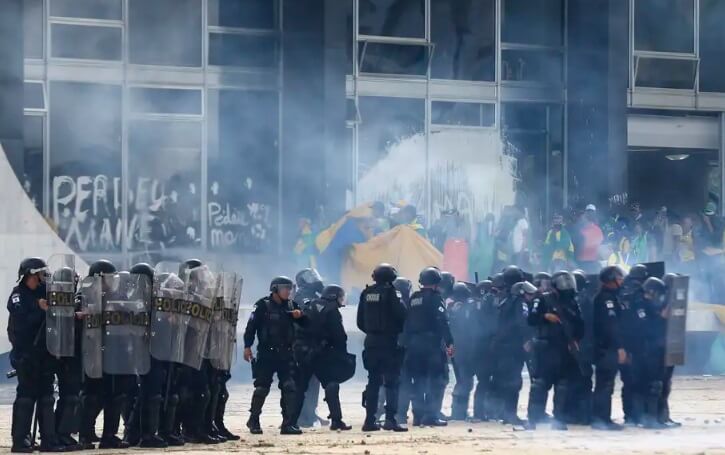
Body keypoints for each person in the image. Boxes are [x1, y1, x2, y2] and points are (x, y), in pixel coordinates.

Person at [8, 258, 66, 453]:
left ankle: (49, 439)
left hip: (44, 353)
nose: (40, 279)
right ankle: (20, 439)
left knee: (47, 397)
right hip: (26, 354)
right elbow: (22, 323)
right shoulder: (18, 295)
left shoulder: (43, 291)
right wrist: (38, 308)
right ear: (28, 275)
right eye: (37, 275)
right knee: (26, 397)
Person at [79, 259, 132, 449]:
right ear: (99, 278)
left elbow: (130, 315)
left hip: (114, 354)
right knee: (92, 396)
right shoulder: (84, 296)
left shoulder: (117, 297)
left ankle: (109, 435)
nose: (112, 282)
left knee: (115, 395)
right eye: (109, 278)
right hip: (93, 355)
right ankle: (85, 434)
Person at [243, 276, 306, 435]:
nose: (288, 291)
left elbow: (305, 324)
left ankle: (288, 423)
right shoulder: (262, 305)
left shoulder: (292, 305)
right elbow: (251, 326)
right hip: (266, 354)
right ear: (275, 289)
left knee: (290, 387)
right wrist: (247, 346)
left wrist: (301, 316)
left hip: (286, 354)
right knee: (262, 388)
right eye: (285, 288)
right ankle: (254, 420)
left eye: (290, 288)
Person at [526, 271, 585, 431]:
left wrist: (575, 340)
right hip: (545, 348)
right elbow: (531, 319)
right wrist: (545, 316)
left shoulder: (572, 302)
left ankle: (559, 419)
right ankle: (533, 419)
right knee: (540, 385)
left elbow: (580, 325)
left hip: (564, 349)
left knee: (563, 385)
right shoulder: (543, 299)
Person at [293, 284, 353, 431]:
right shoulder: (332, 310)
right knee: (331, 384)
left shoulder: (311, 304)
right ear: (334, 297)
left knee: (300, 387)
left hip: (304, 352)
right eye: (340, 296)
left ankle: (290, 421)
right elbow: (339, 336)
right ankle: (336, 420)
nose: (341, 300)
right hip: (322, 354)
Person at [122, 263, 169, 448]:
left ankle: (133, 433)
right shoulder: (140, 300)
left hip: (146, 350)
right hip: (146, 351)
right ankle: (147, 434)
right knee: (150, 394)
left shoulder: (134, 298)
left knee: (144, 394)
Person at [357, 264, 408, 432]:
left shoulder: (366, 293)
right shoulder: (392, 293)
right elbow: (402, 315)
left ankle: (369, 420)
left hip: (371, 342)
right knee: (392, 382)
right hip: (389, 342)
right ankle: (390, 419)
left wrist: (372, 332)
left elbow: (360, 321)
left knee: (373, 381)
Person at [406, 267, 454, 427]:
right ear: (436, 283)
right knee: (437, 381)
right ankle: (431, 415)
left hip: (414, 345)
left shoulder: (413, 298)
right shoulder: (436, 298)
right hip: (432, 345)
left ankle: (418, 416)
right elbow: (442, 321)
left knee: (418, 381)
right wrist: (449, 342)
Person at [490, 266, 529, 426]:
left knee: (503, 380)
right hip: (513, 346)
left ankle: (502, 413)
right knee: (513, 381)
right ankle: (510, 414)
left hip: (500, 345)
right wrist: (527, 339)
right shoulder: (518, 300)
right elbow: (522, 322)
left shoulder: (502, 298)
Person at [591, 266, 627, 431]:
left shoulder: (612, 296)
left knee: (607, 384)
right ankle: (601, 419)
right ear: (611, 279)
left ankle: (603, 418)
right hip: (606, 348)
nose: (621, 281)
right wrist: (619, 347)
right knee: (604, 384)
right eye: (618, 278)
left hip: (607, 347)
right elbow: (611, 326)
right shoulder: (606, 299)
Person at [631, 277, 669, 429]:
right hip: (645, 351)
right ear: (652, 292)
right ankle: (648, 419)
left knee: (654, 384)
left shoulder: (650, 305)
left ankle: (650, 418)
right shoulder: (640, 305)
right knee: (651, 385)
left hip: (653, 350)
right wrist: (661, 318)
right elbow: (644, 327)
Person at [293, 268, 327, 428]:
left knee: (314, 382)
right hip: (304, 346)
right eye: (311, 277)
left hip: (314, 345)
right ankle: (302, 416)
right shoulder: (301, 297)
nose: (315, 280)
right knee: (304, 382)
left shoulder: (315, 296)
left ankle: (310, 413)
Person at [449, 282, 478, 421]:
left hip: (457, 349)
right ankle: (458, 412)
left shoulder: (451, 307)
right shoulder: (465, 307)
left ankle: (459, 411)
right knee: (465, 381)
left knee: (463, 380)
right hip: (464, 349)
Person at [575, 205, 604, 273]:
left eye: (592, 212)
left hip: (592, 262)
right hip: (581, 262)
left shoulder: (598, 230)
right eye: (588, 212)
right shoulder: (579, 229)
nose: (590, 214)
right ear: (585, 214)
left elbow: (600, 247)